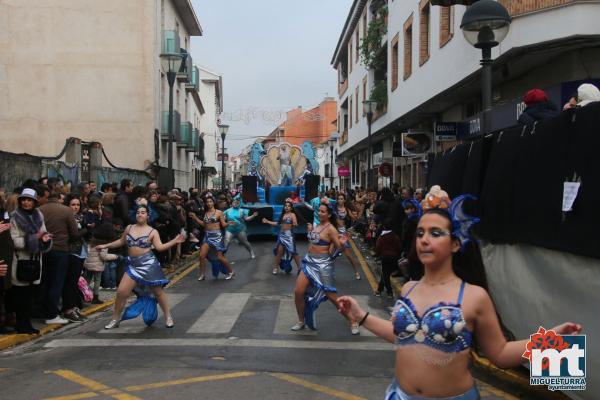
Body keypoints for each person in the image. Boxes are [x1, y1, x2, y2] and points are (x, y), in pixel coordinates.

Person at [337, 193, 582, 399]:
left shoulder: (474, 296)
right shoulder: (410, 288)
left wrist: (552, 341)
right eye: (420, 233)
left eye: (435, 233)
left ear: (455, 244)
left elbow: (500, 353)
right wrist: (362, 315)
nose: (423, 240)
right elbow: (403, 336)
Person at [98, 205, 184, 329]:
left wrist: (174, 241)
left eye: (143, 212)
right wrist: (105, 245)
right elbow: (121, 242)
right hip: (133, 265)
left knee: (158, 292)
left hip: (149, 265)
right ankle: (115, 319)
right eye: (138, 212)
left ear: (148, 216)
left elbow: (159, 247)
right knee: (121, 292)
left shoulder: (152, 231)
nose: (140, 214)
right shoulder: (129, 228)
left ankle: (168, 316)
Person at [291, 201, 358, 335]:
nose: (320, 213)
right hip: (309, 262)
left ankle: (352, 320)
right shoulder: (316, 225)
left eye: (323, 211)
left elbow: (338, 248)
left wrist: (342, 243)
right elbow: (313, 242)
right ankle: (301, 321)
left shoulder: (331, 229)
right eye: (319, 211)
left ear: (329, 214)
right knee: (298, 292)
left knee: (332, 297)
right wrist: (310, 232)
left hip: (323, 265)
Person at [10, 188, 53, 334]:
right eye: (23, 199)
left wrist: (45, 239)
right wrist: (35, 238)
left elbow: (43, 233)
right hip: (21, 260)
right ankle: (21, 324)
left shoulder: (38, 216)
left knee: (31, 296)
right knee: (20, 296)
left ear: (34, 202)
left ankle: (27, 324)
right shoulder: (15, 217)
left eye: (29, 200)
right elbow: (15, 241)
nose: (26, 202)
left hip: (35, 261)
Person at [38, 191, 78, 325]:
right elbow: (74, 233)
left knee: (44, 282)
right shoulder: (66, 211)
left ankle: (43, 311)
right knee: (57, 282)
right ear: (59, 199)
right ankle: (52, 314)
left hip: (43, 250)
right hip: (60, 249)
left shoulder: (39, 210)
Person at [189, 195, 235, 281]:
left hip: (217, 236)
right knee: (202, 256)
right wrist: (195, 218)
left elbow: (223, 224)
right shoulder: (205, 213)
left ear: (213, 202)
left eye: (210, 202)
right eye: (207, 202)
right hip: (207, 236)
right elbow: (204, 224)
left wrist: (229, 223)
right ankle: (202, 274)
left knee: (220, 257)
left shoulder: (219, 212)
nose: (209, 203)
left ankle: (231, 271)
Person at [62, 195, 88, 322]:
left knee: (75, 281)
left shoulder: (81, 217)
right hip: (71, 252)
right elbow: (74, 236)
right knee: (70, 282)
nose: (76, 207)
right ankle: (68, 308)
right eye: (73, 204)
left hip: (81, 251)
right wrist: (86, 229)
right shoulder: (68, 218)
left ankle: (74, 307)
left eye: (78, 205)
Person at [262, 199, 302, 274]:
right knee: (279, 252)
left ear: (291, 208)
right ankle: (275, 268)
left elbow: (295, 223)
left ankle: (300, 268)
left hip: (289, 235)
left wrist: (294, 224)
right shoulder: (283, 215)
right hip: (281, 235)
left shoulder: (292, 215)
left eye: (288, 206)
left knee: (293, 252)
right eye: (285, 206)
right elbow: (277, 223)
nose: (286, 207)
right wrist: (267, 221)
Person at [335, 193, 361, 280]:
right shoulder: (334, 209)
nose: (340, 200)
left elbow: (355, 218)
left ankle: (356, 271)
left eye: (342, 199)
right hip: (334, 233)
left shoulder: (346, 209)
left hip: (343, 234)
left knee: (348, 256)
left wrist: (350, 229)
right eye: (339, 199)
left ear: (345, 200)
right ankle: (327, 272)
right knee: (329, 255)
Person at [374, 221, 402, 298]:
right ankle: (379, 290)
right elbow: (399, 247)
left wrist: (377, 255)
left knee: (385, 275)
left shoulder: (381, 237)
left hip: (385, 258)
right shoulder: (395, 236)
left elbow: (378, 247)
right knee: (385, 274)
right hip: (394, 258)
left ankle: (389, 292)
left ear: (384, 227)